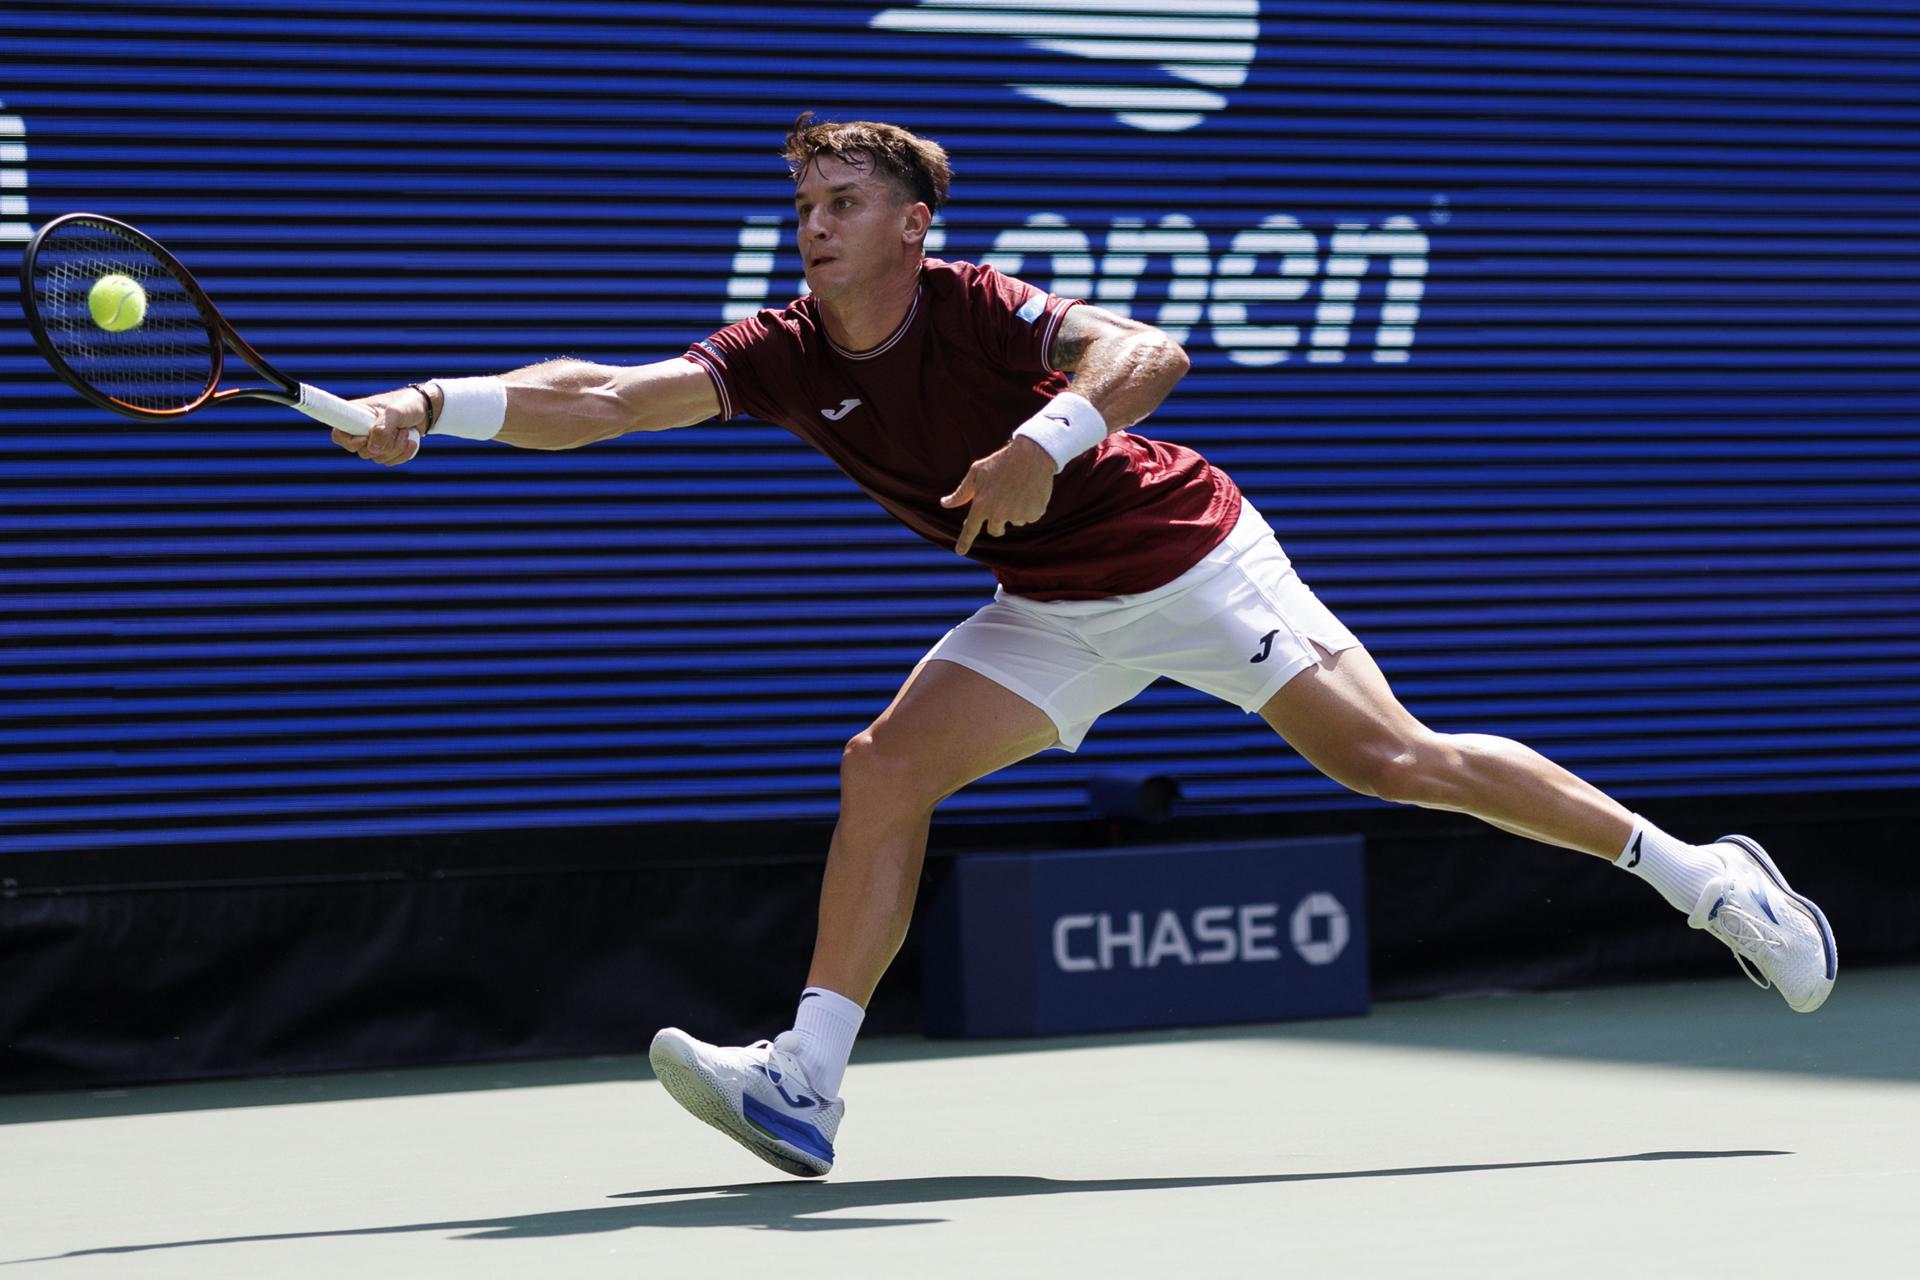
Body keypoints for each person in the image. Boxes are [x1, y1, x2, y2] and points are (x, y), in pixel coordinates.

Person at [335, 113, 1837, 1178]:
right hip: (1048, 612)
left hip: (1187, 562)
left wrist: (1046, 444)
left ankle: (1699, 875)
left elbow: (1148, 357)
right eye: (805, 204)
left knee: (1394, 762)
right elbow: (602, 395)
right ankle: (804, 1084)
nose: (815, 224)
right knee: (886, 768)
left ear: (911, 227)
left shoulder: (981, 306)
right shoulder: (784, 351)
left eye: (842, 203)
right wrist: (430, 401)